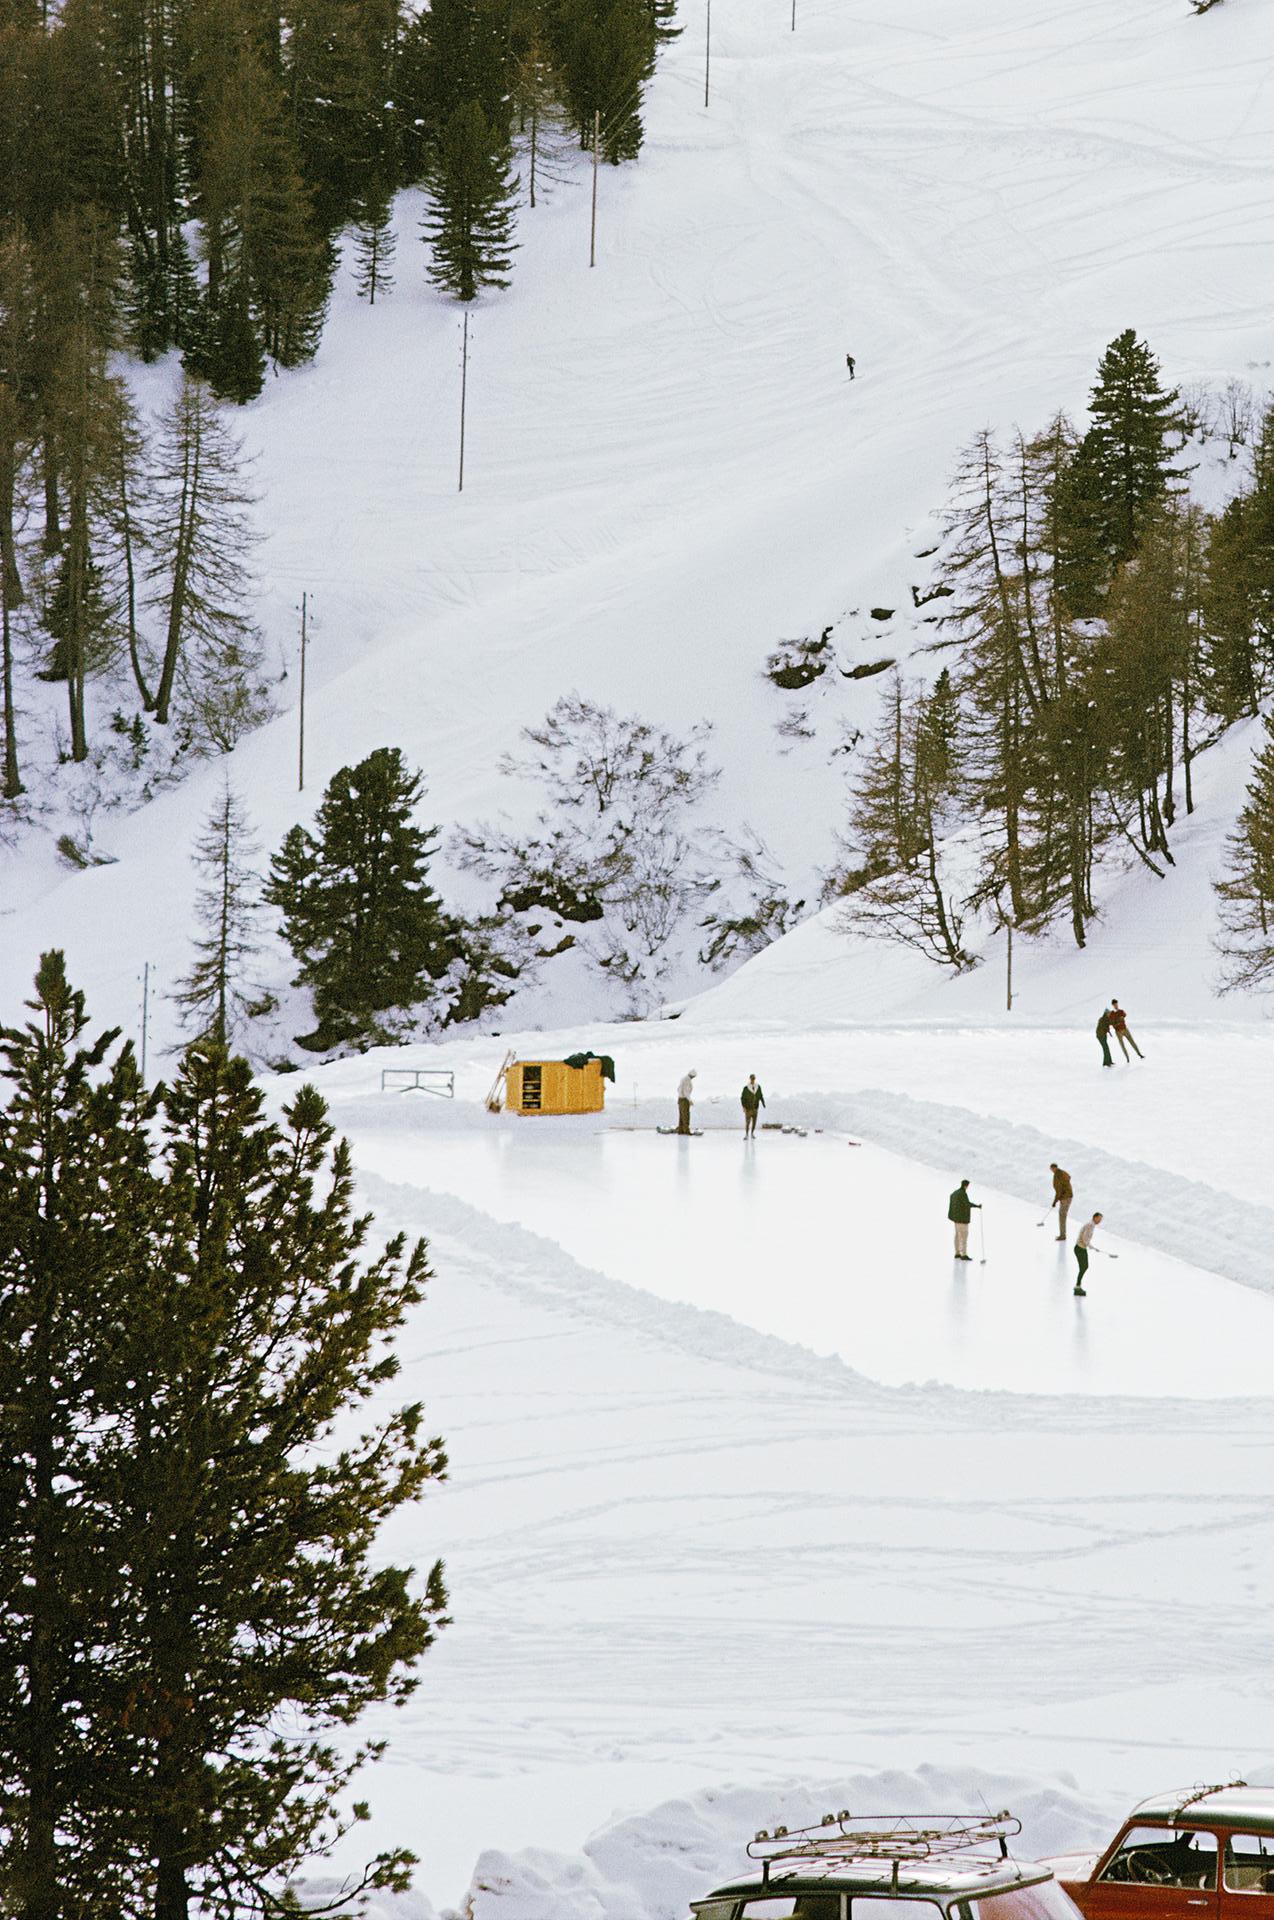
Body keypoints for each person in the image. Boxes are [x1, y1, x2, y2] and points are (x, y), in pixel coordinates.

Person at [947, 1178, 981, 1260]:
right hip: (962, 1219)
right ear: (966, 1186)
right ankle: (964, 1254)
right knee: (964, 1236)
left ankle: (957, 1253)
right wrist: (977, 1206)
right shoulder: (962, 1194)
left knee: (957, 1235)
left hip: (956, 1219)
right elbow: (967, 1204)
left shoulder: (954, 1193)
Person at [1074, 1211, 1103, 1295]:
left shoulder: (1092, 1225)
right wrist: (1092, 1247)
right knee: (1084, 1267)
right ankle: (1077, 1287)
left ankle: (1078, 1286)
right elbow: (1084, 1238)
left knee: (1084, 1267)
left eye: (1101, 1220)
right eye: (1099, 1219)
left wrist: (1090, 1246)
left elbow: (1085, 1239)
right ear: (1094, 1217)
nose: (1099, 1221)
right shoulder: (1090, 1225)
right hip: (1079, 1248)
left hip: (1081, 1248)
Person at [1049, 1161, 1073, 1241]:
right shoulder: (1063, 1172)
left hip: (1065, 1198)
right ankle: (1063, 1234)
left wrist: (1054, 1202)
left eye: (1051, 1169)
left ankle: (1062, 1235)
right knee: (1063, 1215)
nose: (1051, 1170)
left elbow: (1059, 1190)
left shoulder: (1057, 1175)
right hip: (1069, 1197)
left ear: (1054, 1168)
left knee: (1062, 1216)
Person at [740, 1073, 765, 1138]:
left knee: (754, 1122)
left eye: (753, 1078)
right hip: (748, 1109)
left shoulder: (758, 1087)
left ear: (755, 1079)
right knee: (747, 1122)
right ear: (750, 1079)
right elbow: (742, 1098)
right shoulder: (746, 1088)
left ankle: (752, 1133)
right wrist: (744, 1107)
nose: (752, 1080)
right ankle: (746, 1134)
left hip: (755, 1108)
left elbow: (760, 1096)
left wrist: (763, 1103)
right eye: (752, 1078)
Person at [676, 1068, 697, 1135]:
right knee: (686, 1116)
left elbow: (678, 1089)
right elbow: (686, 1092)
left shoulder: (683, 1078)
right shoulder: (687, 1080)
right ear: (692, 1076)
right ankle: (686, 1131)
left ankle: (681, 1130)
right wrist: (690, 1100)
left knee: (681, 1116)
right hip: (684, 1100)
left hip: (680, 1099)